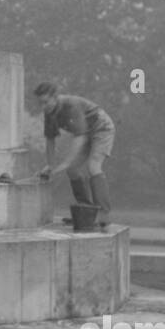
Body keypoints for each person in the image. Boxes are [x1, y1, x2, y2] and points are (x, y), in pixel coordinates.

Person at [33, 81, 115, 227]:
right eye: (40, 103)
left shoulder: (70, 105)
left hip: (102, 128)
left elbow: (80, 137)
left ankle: (103, 214)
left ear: (55, 97)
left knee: (93, 166)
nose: (43, 107)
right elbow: (50, 140)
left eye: (45, 102)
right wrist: (50, 165)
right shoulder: (49, 113)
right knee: (73, 170)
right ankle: (86, 212)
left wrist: (65, 163)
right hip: (86, 133)